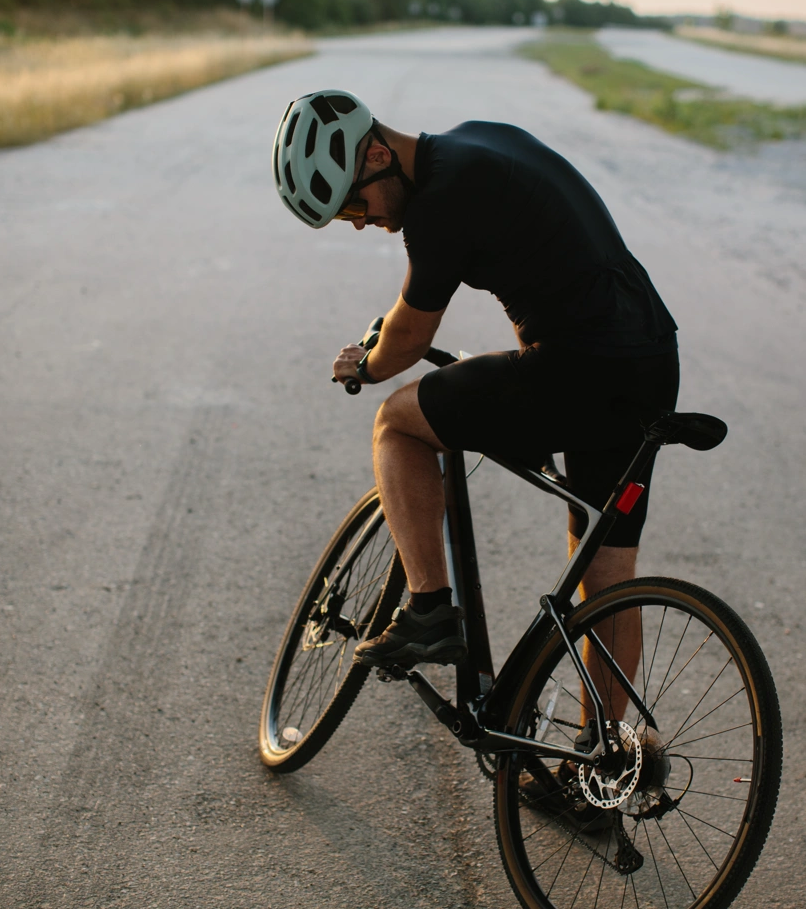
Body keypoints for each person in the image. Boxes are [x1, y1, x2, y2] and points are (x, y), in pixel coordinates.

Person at [272, 90, 679, 721]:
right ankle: (599, 760)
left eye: (352, 203)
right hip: (650, 361)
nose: (357, 221)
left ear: (377, 155)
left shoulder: (438, 203)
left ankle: (429, 609)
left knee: (398, 424)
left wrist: (366, 364)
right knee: (606, 580)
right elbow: (546, 268)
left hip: (578, 370)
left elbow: (410, 336)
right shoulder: (481, 140)